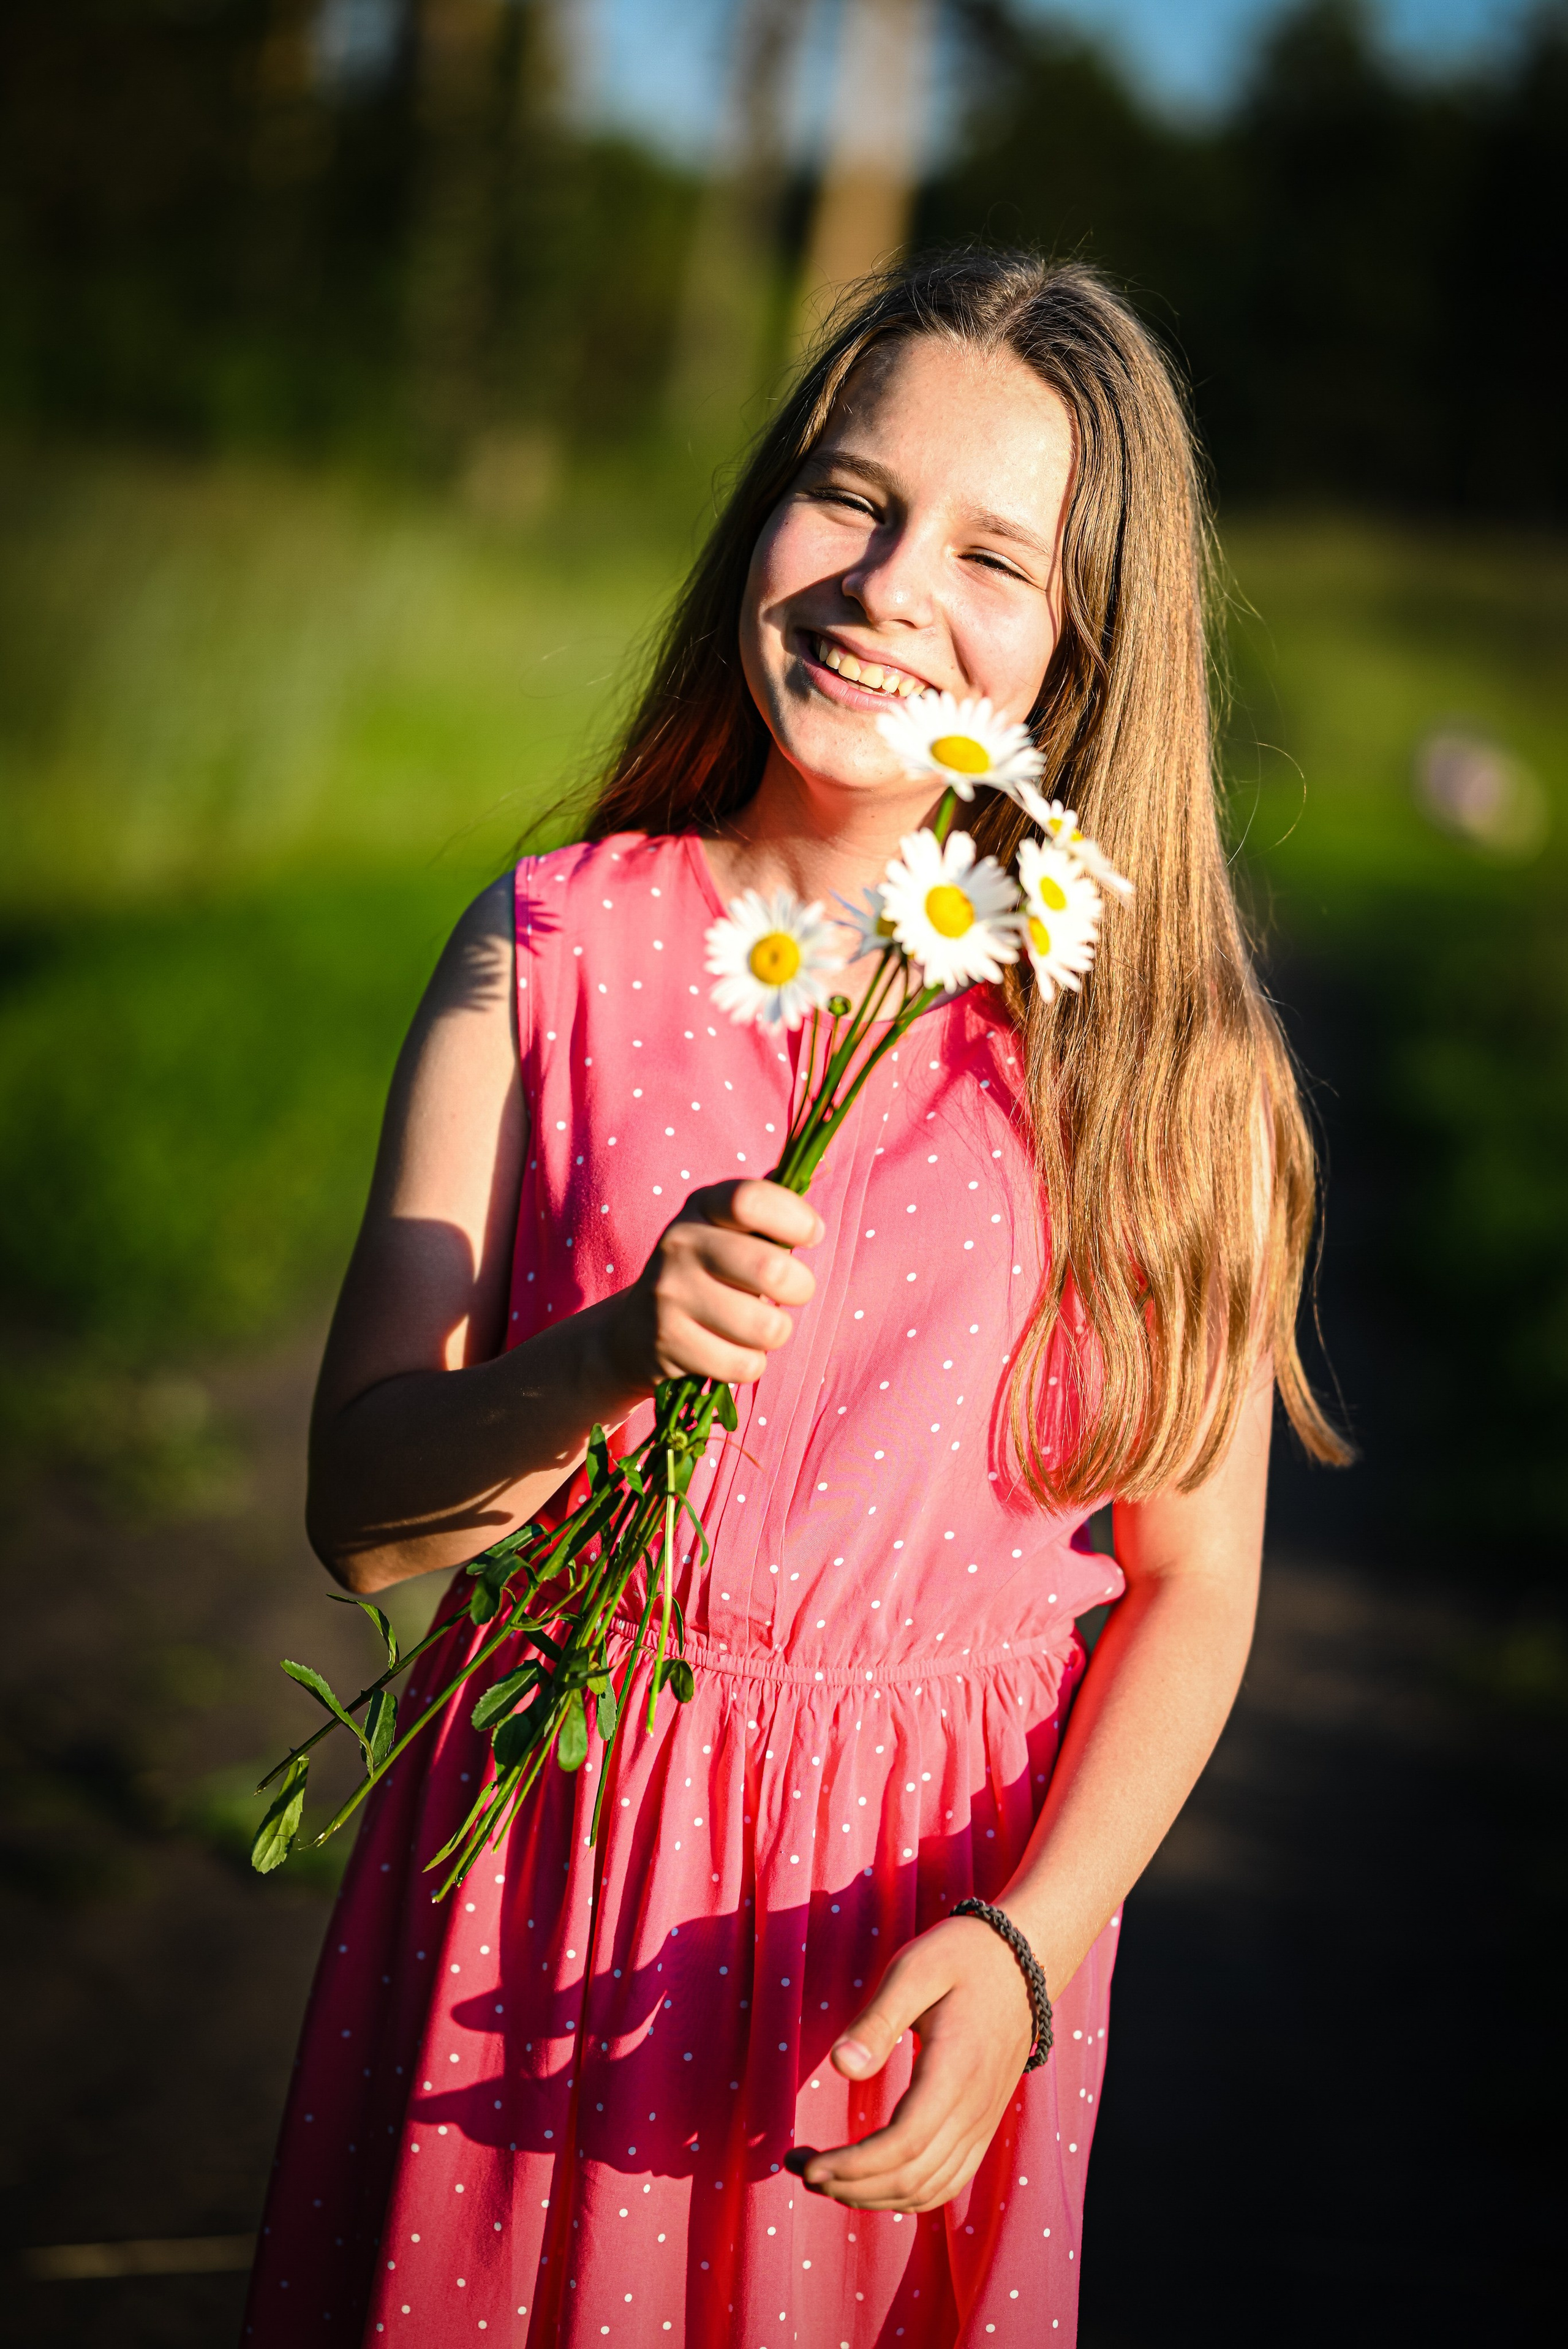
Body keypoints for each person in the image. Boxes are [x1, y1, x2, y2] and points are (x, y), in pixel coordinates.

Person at [243, 251, 1344, 2348]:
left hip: (909, 1950)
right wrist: (607, 1354)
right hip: (539, 1903)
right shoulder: (549, 951)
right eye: (849, 497)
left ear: (1085, 653)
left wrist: (1030, 1945)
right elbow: (363, 1512)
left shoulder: (1165, 1065)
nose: (885, 585)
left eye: (993, 555)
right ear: (766, 510)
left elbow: (1196, 1583)